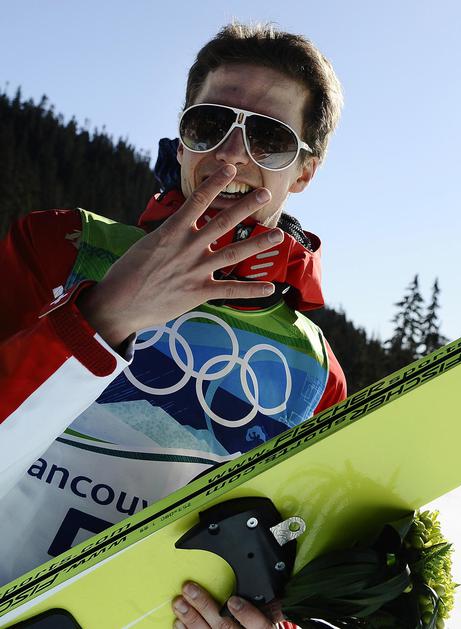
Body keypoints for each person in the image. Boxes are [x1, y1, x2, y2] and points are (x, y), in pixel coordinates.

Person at [0, 22, 346, 627]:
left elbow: (296, 574)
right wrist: (103, 317)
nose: (231, 155)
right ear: (183, 142)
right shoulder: (58, 247)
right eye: (209, 125)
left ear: (304, 173)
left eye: (269, 138)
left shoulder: (315, 374)